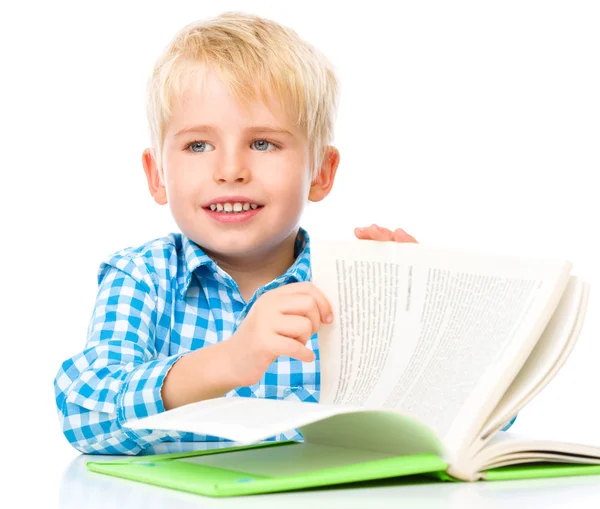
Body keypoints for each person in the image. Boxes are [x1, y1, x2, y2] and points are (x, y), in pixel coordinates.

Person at [53, 11, 511, 456]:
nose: (230, 170)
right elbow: (83, 412)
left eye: (263, 143)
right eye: (198, 145)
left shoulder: (350, 290)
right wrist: (229, 360)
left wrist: (423, 322)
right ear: (157, 175)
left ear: (321, 172)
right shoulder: (142, 276)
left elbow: (491, 418)